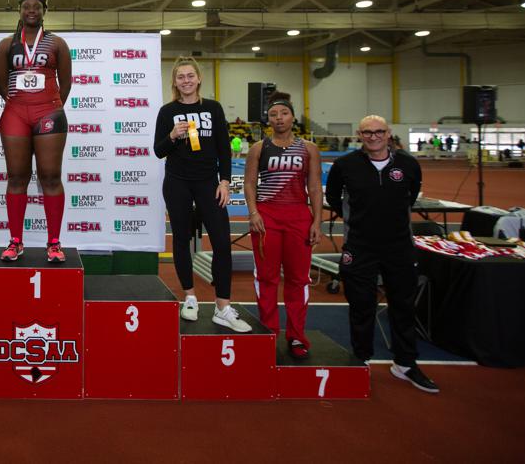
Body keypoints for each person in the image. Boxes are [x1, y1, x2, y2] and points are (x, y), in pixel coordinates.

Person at [325, 115, 438, 393]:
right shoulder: (345, 165)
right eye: (367, 132)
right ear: (359, 135)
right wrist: (360, 219)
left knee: (402, 305)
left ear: (388, 134)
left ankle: (405, 363)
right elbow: (333, 197)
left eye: (378, 132)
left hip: (398, 246)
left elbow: (410, 196)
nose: (373, 136)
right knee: (361, 306)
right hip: (360, 246)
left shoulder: (408, 165)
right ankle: (360, 359)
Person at [154, 58, 251, 332]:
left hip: (209, 182)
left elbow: (223, 147)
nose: (185, 81)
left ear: (198, 79)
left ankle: (223, 306)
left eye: (190, 76)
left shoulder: (213, 108)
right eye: (180, 77)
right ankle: (190, 297)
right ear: (174, 82)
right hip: (177, 182)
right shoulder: (167, 111)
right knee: (182, 240)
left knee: (221, 242)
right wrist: (172, 135)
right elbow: (158, 150)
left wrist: (225, 182)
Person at [0, 0, 71, 262]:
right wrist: (18, 103)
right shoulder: (6, 45)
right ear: (19, 10)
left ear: (43, 11)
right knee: (16, 177)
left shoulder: (57, 43)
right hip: (15, 112)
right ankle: (15, 241)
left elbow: (66, 82)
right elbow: (1, 82)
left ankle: (54, 242)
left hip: (49, 112)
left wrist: (50, 104)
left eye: (36, 7)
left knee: (50, 176)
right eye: (26, 6)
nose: (31, 11)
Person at [244, 93, 323, 359]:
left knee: (298, 279)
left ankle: (297, 336)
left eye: (284, 113)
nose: (279, 118)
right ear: (268, 119)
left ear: (292, 117)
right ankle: (268, 331)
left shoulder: (309, 149)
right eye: (274, 114)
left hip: (299, 219)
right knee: (266, 278)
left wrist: (317, 221)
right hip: (267, 219)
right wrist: (253, 212)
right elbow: (249, 183)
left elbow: (313, 186)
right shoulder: (259, 148)